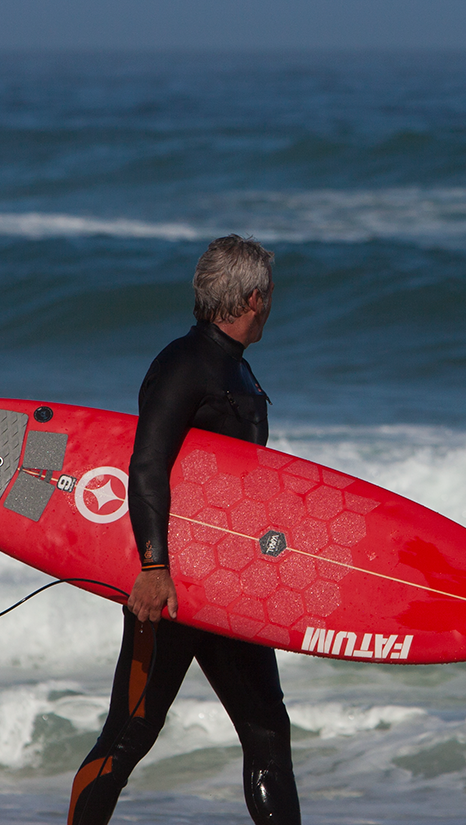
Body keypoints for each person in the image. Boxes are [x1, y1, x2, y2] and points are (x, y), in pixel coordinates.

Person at [67, 235, 301, 825]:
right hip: (170, 586)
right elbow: (146, 464)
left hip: (227, 586)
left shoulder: (237, 369)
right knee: (129, 736)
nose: (271, 304)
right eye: (269, 294)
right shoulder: (182, 364)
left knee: (269, 733)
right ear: (255, 296)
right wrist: (152, 567)